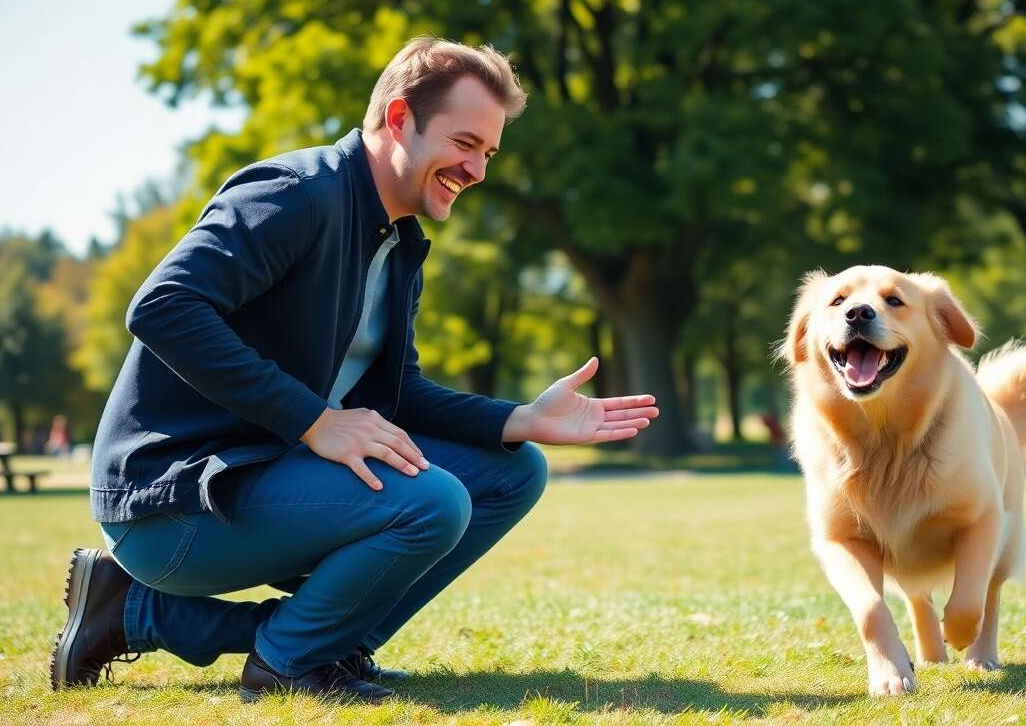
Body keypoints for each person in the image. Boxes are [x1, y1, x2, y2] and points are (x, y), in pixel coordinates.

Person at [51, 38, 659, 704]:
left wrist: (519, 419)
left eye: (488, 152)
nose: (478, 169)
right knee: (434, 500)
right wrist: (312, 420)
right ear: (399, 120)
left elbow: (394, 397)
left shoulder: (397, 244)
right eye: (464, 143)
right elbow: (163, 307)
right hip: (173, 500)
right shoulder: (295, 193)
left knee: (513, 472)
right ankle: (282, 658)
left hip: (262, 470)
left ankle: (287, 640)